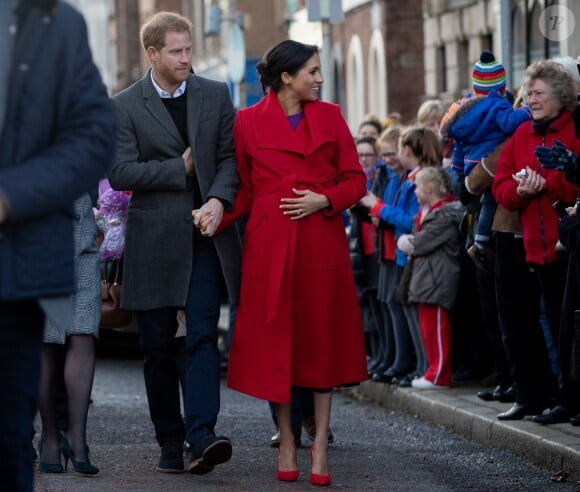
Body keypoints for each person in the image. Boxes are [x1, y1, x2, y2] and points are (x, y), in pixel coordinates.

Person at [197, 40, 368, 486]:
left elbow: (355, 179)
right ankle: (288, 440)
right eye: (312, 71)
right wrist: (217, 214)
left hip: (320, 242)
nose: (320, 78)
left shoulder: (330, 116)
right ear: (287, 77)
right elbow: (246, 189)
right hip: (270, 245)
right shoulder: (248, 121)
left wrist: (324, 198)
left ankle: (322, 445)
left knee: (321, 343)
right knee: (277, 348)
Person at [109, 11, 242, 475]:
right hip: (153, 240)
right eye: (177, 51)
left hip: (205, 237)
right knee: (159, 347)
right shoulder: (125, 104)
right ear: (153, 53)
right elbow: (120, 171)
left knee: (204, 336)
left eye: (189, 49)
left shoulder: (215, 94)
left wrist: (220, 201)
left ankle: (202, 434)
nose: (187, 57)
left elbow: (229, 158)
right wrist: (177, 170)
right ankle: (169, 438)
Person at [0, 1, 116, 490]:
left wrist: (11, 196)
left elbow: (94, 135)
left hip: (18, 271)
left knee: (6, 448)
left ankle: (63, 440)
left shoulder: (55, 21)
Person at [492, 59, 579, 422]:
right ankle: (537, 395)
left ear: (560, 96)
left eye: (539, 93)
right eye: (529, 93)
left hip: (568, 247)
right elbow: (501, 187)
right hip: (532, 247)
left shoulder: (576, 130)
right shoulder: (520, 135)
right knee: (532, 324)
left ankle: (571, 399)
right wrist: (521, 190)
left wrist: (550, 184)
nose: (531, 99)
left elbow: (575, 184)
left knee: (568, 328)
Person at [441, 50, 532, 268]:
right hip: (492, 160)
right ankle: (481, 241)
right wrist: (527, 112)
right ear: (501, 86)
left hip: (472, 164)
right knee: (491, 201)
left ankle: (479, 239)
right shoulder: (497, 103)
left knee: (484, 202)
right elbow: (509, 123)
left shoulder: (466, 111)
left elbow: (460, 146)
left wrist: (459, 169)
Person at [38, 193, 101, 476]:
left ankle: (78, 438)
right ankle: (50, 438)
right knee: (46, 337)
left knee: (83, 331)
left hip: (79, 215)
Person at [397, 167, 465, 389]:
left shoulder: (445, 214)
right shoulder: (429, 211)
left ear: (429, 187)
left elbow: (420, 243)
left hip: (438, 279)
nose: (415, 191)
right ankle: (432, 370)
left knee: (438, 328)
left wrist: (405, 242)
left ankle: (440, 375)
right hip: (427, 279)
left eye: (417, 186)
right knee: (428, 328)